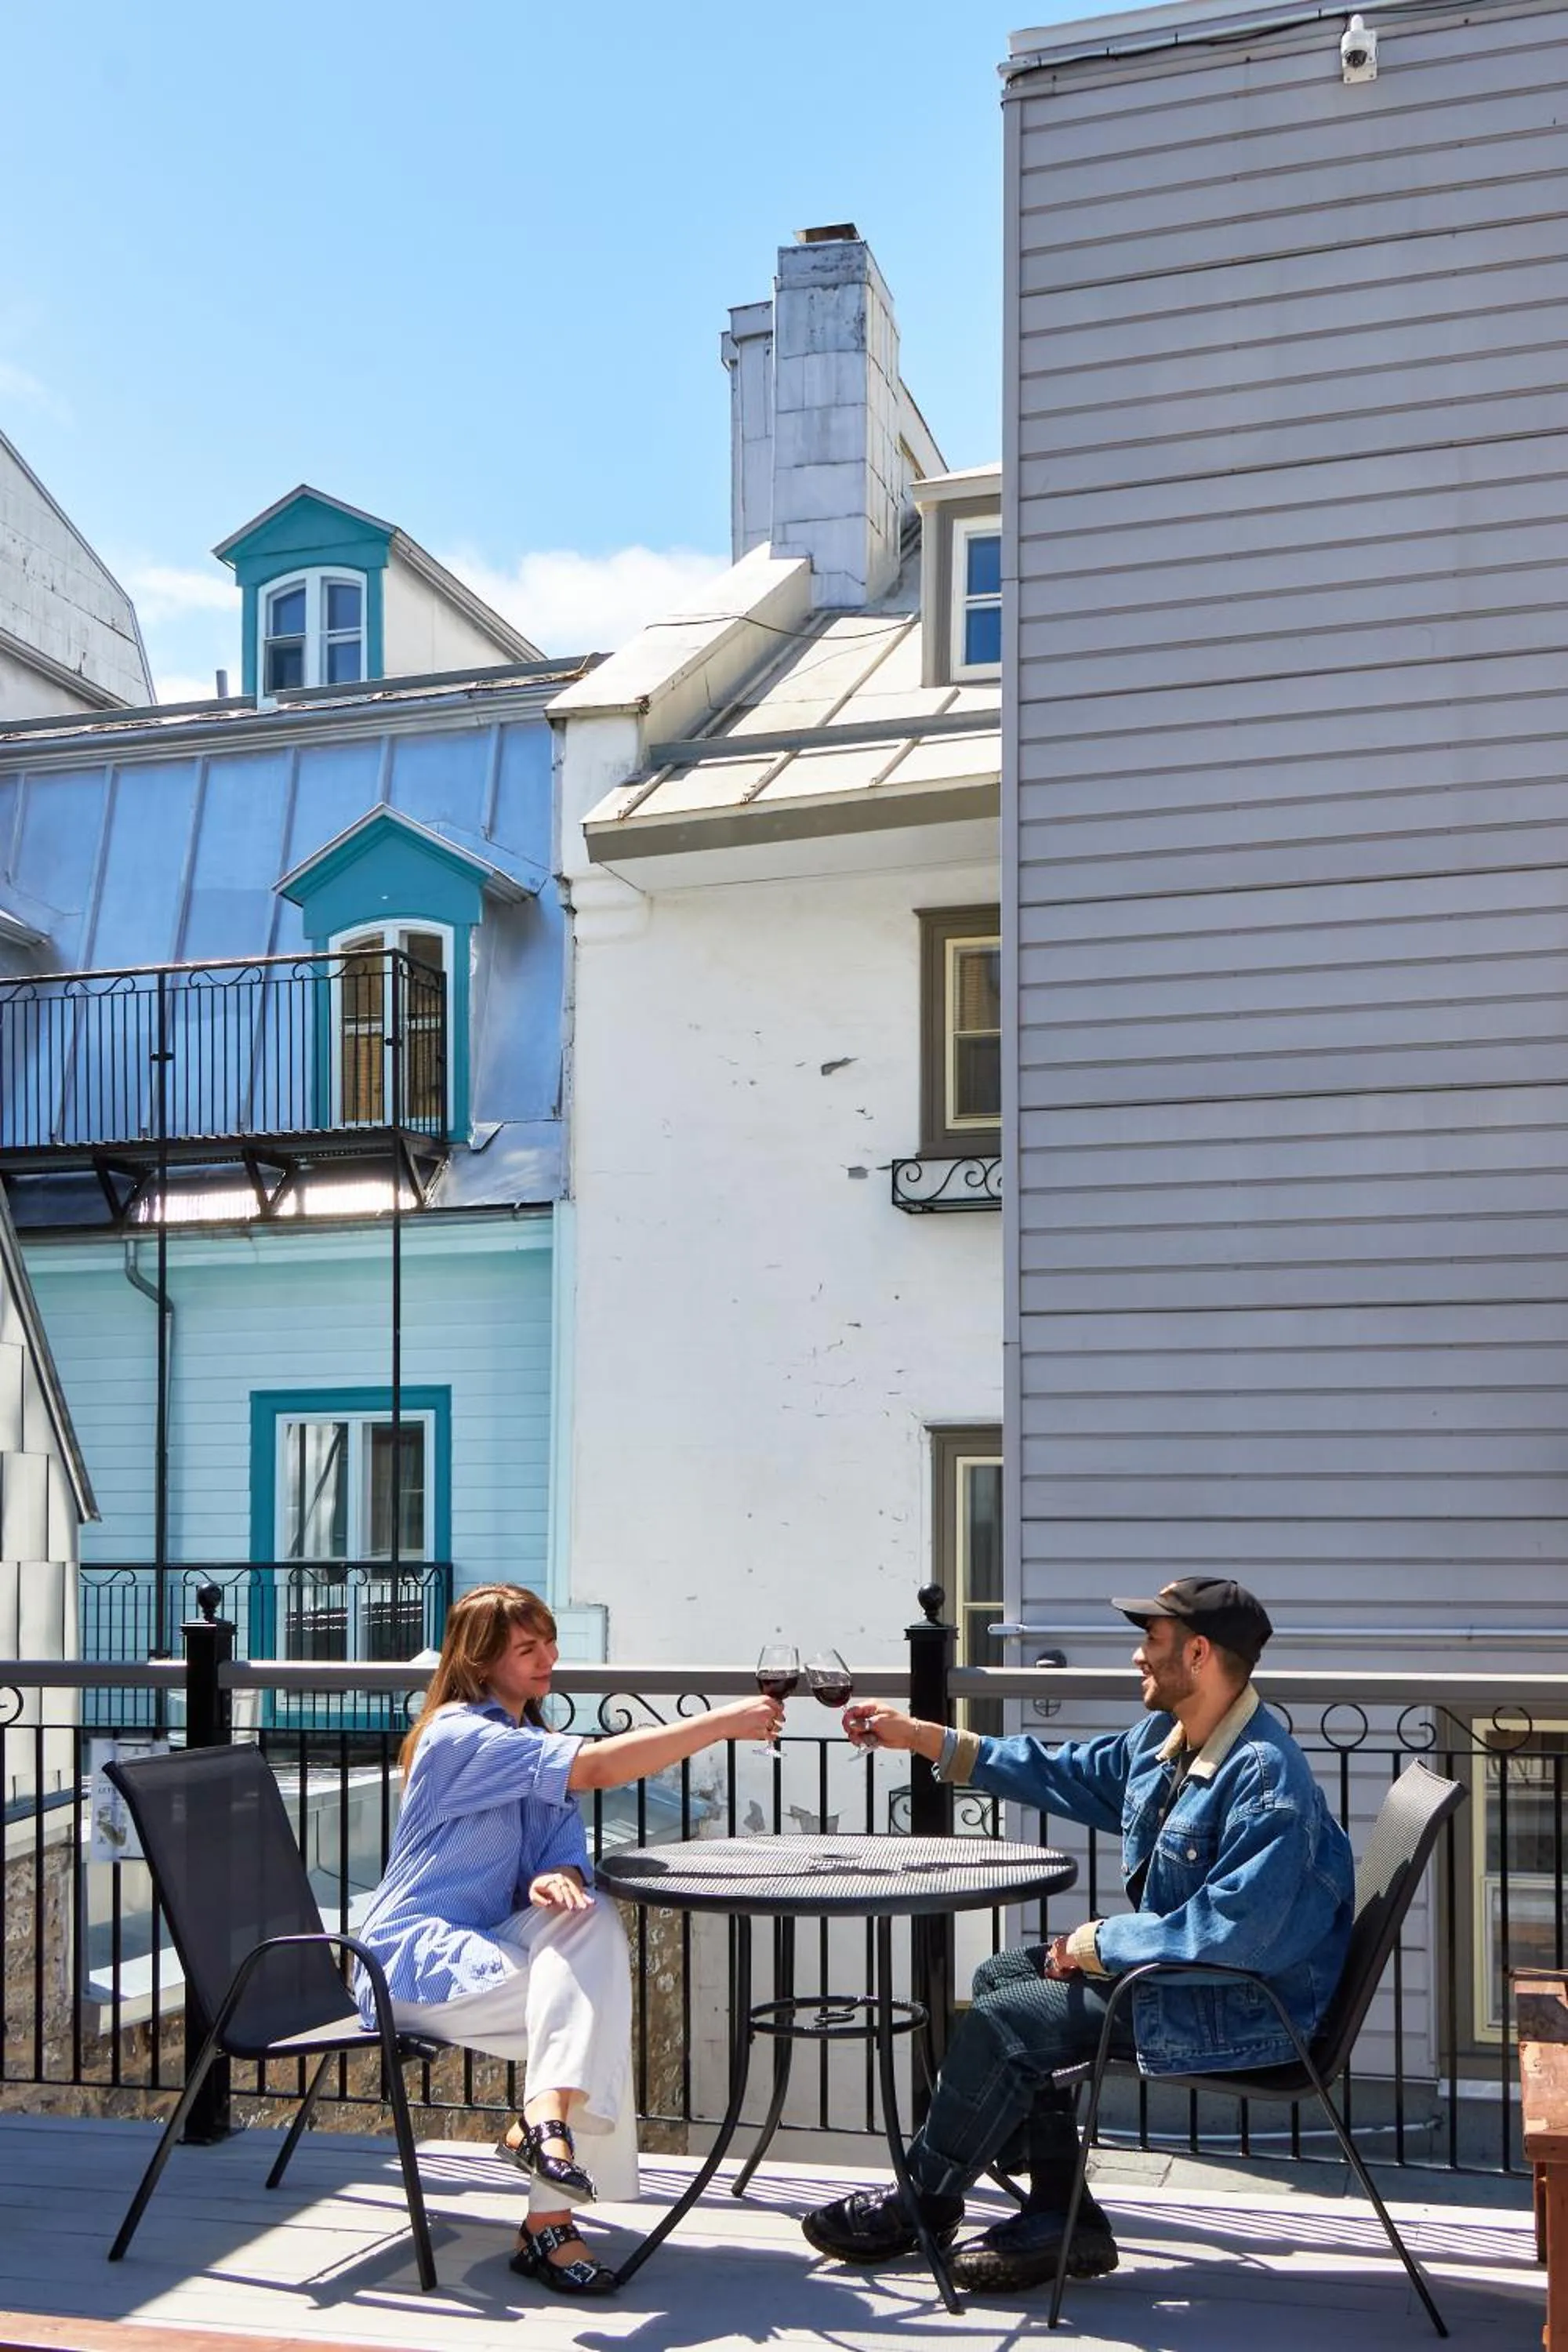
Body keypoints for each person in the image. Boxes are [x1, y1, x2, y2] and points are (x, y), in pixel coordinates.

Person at [801, 1577, 1356, 2296]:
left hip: (1248, 2007)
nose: (1136, 1657)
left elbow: (1235, 1933)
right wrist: (922, 1736)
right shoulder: (1169, 1739)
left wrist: (1100, 1944)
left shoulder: (1266, 1781)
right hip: (1192, 1981)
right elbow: (1062, 1772)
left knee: (1008, 2018)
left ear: (1197, 1652)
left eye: (1151, 1641)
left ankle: (924, 2200)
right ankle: (1062, 2211)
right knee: (1004, 1975)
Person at [353, 1582, 782, 2296]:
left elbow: (559, 1846)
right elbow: (599, 1767)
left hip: (491, 1945)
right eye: (527, 1648)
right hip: (413, 1959)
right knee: (591, 2004)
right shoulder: (456, 1736)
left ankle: (543, 2128)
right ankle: (549, 2222)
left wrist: (553, 1874)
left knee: (588, 1922)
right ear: (482, 1660)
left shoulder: (529, 1742)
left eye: (549, 1641)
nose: (548, 1657)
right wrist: (719, 1723)